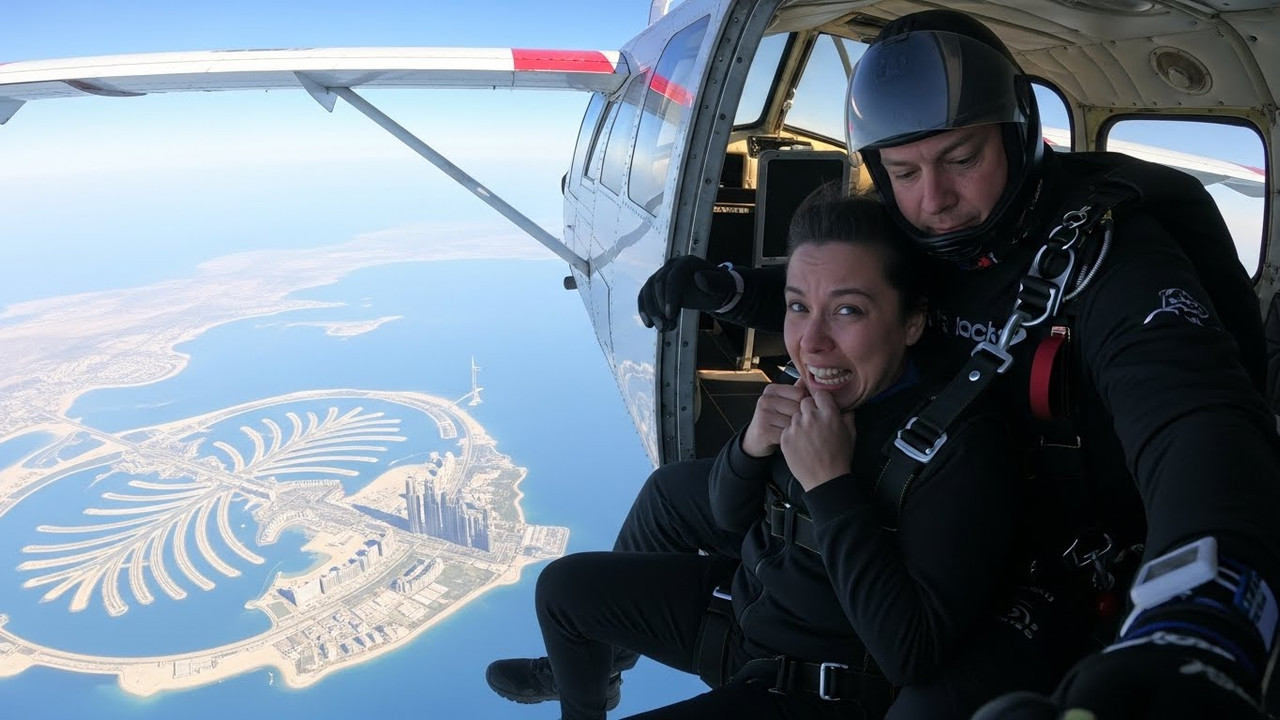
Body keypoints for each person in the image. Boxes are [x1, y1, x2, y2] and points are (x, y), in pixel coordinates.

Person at [627, 10, 1280, 719]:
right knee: (669, 496)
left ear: (1018, 134)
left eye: (961, 159)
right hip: (930, 493)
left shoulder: (1116, 260)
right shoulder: (937, 237)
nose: (933, 200)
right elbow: (854, 303)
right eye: (903, 172)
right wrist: (724, 289)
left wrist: (1204, 615)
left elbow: (1196, 424)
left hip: (1051, 553)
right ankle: (604, 645)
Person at [492, 193, 1070, 719]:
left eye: (848, 311)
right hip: (741, 617)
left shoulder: (961, 447)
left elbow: (909, 654)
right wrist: (748, 449)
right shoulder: (813, 393)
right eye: (798, 307)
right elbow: (726, 517)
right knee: (563, 591)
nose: (811, 342)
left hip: (809, 683)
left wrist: (829, 484)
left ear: (912, 320)